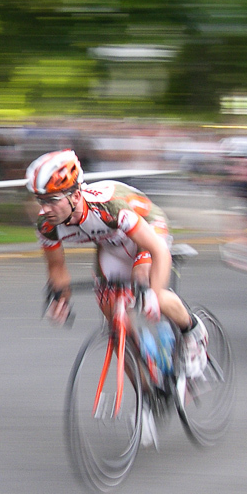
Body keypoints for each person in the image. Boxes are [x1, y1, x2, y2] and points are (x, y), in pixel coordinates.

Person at [25, 150, 208, 384]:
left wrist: (153, 292)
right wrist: (61, 298)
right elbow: (57, 269)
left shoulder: (107, 208)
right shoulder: (47, 225)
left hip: (147, 228)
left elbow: (157, 250)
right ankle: (146, 394)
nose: (45, 209)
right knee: (115, 323)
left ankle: (193, 331)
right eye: (41, 200)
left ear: (75, 195)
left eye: (52, 200)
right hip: (112, 242)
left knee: (149, 289)